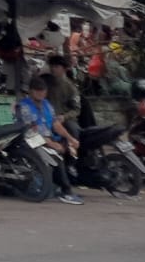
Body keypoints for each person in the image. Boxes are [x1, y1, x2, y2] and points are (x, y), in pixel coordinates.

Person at [16, 74, 82, 205]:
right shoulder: (24, 107)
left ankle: (59, 183)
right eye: (37, 90)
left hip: (47, 138)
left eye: (43, 91)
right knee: (55, 155)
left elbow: (55, 124)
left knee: (70, 150)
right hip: (30, 140)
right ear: (31, 91)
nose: (41, 93)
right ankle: (66, 191)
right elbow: (31, 131)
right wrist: (51, 143)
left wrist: (70, 138)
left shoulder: (47, 105)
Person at [47, 53, 91, 131]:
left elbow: (76, 110)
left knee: (76, 133)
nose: (53, 69)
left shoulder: (70, 87)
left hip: (65, 119)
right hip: (47, 118)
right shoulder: (45, 83)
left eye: (56, 67)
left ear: (64, 69)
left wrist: (64, 117)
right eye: (51, 66)